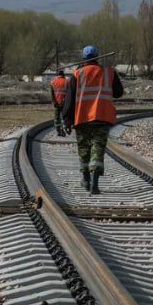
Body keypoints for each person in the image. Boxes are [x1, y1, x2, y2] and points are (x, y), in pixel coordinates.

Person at [62, 45, 123, 194]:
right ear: (97, 57)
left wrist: (67, 121)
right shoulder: (109, 73)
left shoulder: (77, 74)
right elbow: (118, 93)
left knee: (84, 150)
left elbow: (69, 101)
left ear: (84, 59)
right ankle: (94, 183)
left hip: (82, 118)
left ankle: (86, 180)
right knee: (98, 150)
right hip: (102, 117)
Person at [49, 70, 68, 136]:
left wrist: (54, 102)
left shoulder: (53, 82)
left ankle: (58, 131)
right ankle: (64, 130)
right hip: (65, 103)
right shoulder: (67, 82)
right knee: (64, 117)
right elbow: (69, 94)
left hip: (56, 103)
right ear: (63, 75)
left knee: (57, 118)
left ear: (56, 75)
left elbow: (52, 94)